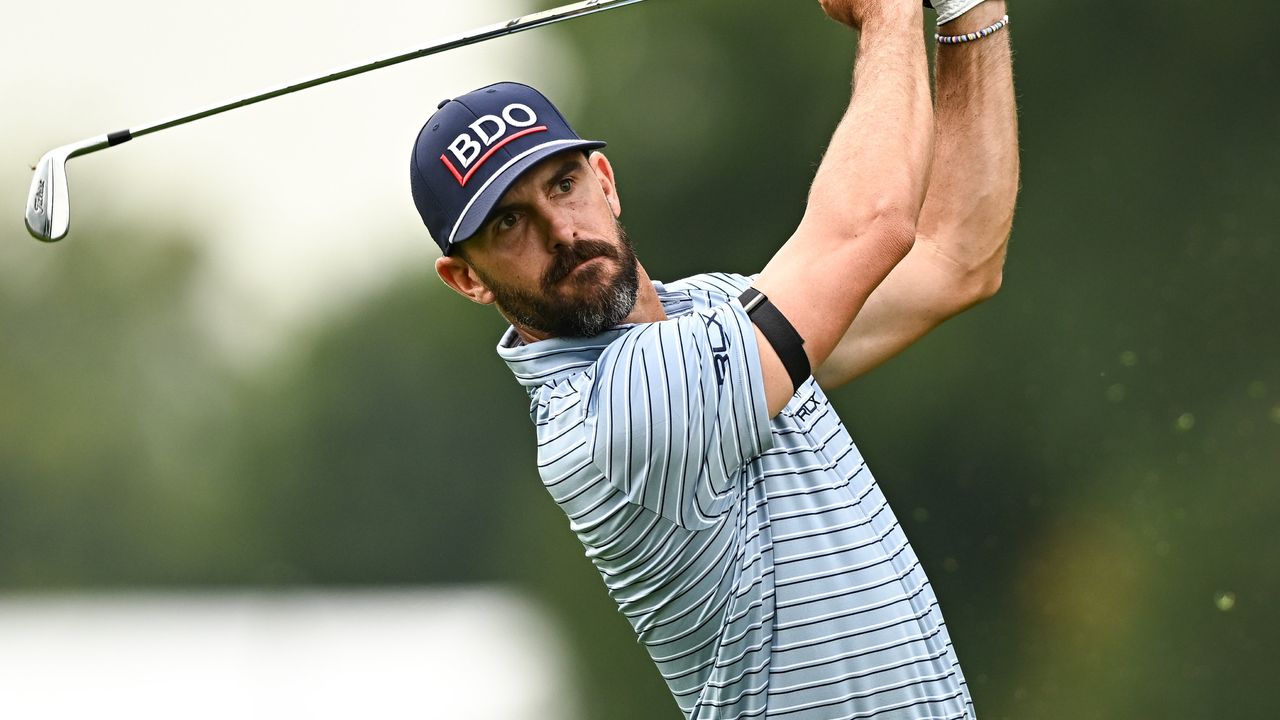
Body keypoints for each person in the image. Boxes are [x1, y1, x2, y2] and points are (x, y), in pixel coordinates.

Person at [408, 0, 1017, 716]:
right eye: (509, 222)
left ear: (605, 180)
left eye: (563, 185)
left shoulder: (716, 308)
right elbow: (872, 227)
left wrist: (966, 13)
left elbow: (956, 259)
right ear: (467, 278)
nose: (561, 231)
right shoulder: (614, 415)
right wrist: (887, 14)